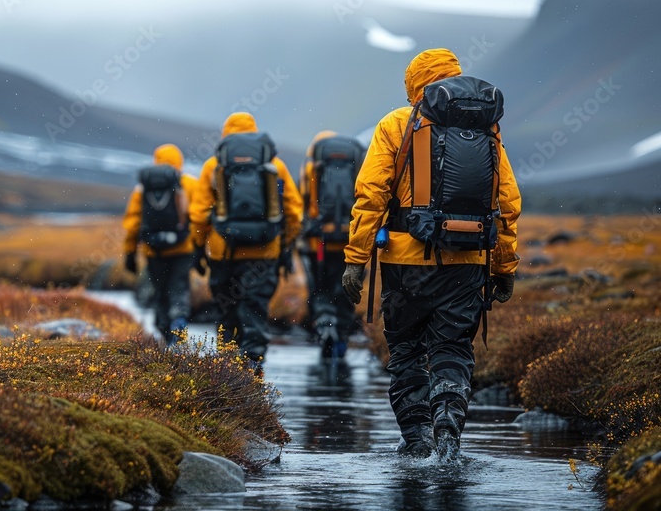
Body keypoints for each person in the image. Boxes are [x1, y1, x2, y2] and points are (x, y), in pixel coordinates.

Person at [341, 48, 521, 459]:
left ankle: (418, 438)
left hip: (405, 264)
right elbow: (507, 201)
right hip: (468, 263)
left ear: (413, 84)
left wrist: (356, 260)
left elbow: (371, 195)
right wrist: (504, 266)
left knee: (405, 350)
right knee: (453, 350)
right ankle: (447, 433)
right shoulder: (486, 126)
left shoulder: (397, 123)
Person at [189, 112, 303, 371]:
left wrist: (197, 248)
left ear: (225, 134)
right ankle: (253, 368)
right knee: (255, 311)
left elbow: (198, 215)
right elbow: (294, 212)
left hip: (223, 254)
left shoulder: (213, 166)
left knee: (227, 314)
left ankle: (227, 375)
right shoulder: (276, 165)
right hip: (264, 254)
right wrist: (285, 246)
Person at [298, 130, 365, 360]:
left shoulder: (311, 168)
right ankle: (342, 337)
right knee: (347, 290)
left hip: (319, 244)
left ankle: (326, 325)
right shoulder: (357, 166)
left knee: (320, 288)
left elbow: (301, 202)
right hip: (351, 242)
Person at [122, 144, 197, 345]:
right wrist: (200, 249)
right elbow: (199, 217)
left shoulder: (143, 188)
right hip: (183, 249)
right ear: (179, 161)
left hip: (154, 250)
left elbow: (133, 222)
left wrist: (130, 253)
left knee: (160, 291)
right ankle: (178, 328)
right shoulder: (189, 184)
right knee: (179, 288)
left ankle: (165, 334)